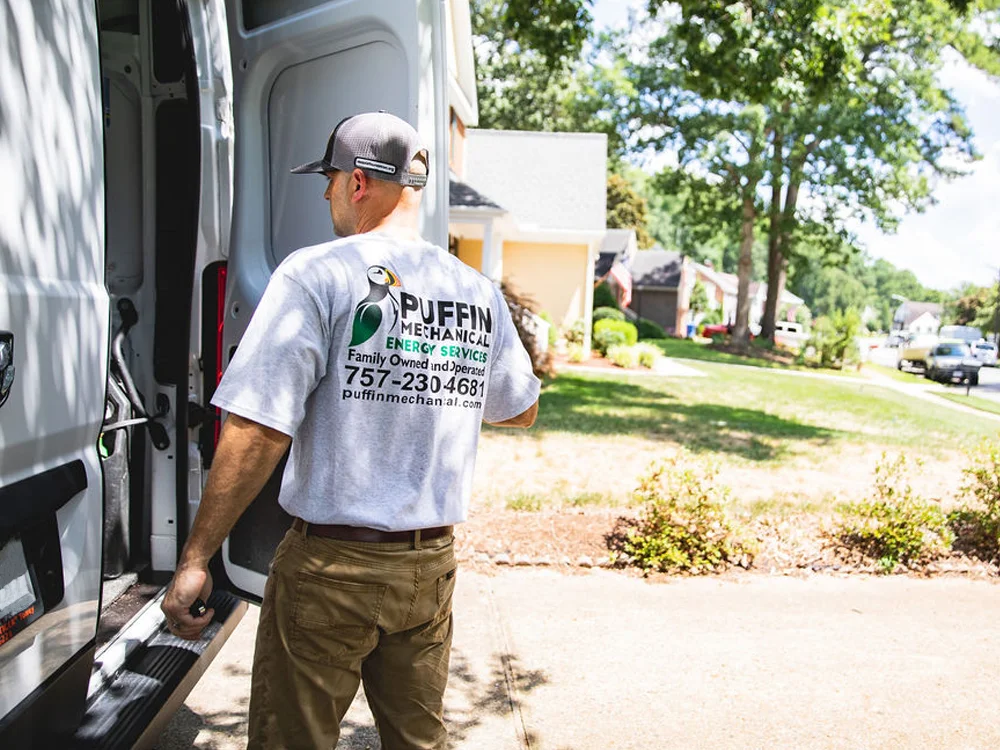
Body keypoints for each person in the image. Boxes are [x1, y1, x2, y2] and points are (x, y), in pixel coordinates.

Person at [161, 111, 540, 749]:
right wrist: (435, 368)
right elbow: (519, 408)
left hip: (329, 570)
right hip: (429, 568)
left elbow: (257, 427)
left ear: (358, 183)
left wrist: (197, 557)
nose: (326, 193)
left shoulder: (317, 274)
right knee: (418, 740)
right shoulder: (475, 291)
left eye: (330, 179)